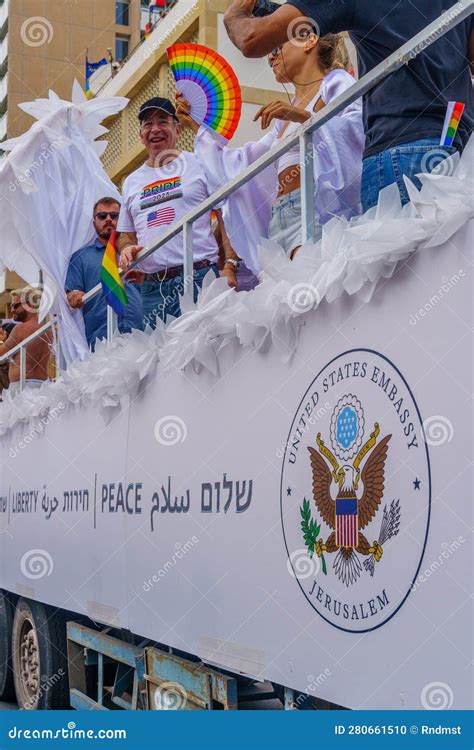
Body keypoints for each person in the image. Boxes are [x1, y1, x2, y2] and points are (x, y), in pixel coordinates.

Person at [223, 0, 473, 210]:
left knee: (402, 265)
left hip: (401, 148)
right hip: (460, 150)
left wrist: (234, 14)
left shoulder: (335, 82)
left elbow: (252, 38)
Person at [176, 32, 363, 273]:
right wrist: (198, 128)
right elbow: (246, 164)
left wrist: (303, 118)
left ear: (309, 41)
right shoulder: (284, 118)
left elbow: (355, 132)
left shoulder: (335, 82)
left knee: (311, 288)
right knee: (289, 298)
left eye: (276, 48)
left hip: (313, 210)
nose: (271, 58)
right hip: (279, 219)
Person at [117, 97, 238, 326]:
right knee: (162, 360)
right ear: (141, 135)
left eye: (163, 121)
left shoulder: (199, 163)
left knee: (210, 353)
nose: (155, 129)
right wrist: (126, 249)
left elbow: (226, 214)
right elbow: (126, 235)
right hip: (153, 289)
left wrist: (230, 266)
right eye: (147, 124)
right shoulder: (131, 182)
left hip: (200, 277)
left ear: (177, 129)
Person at [66, 197, 144, 350]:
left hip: (142, 334)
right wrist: (73, 295)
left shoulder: (137, 251)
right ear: (93, 222)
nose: (108, 219)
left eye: (115, 216)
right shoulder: (81, 258)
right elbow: (71, 293)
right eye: (102, 216)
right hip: (102, 341)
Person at [0, 289, 52, 396]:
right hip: (43, 387)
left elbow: (2, 353)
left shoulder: (21, 329)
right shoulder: (48, 331)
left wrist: (2, 340)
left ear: (29, 305)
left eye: (15, 306)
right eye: (11, 306)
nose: (12, 310)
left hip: (22, 388)